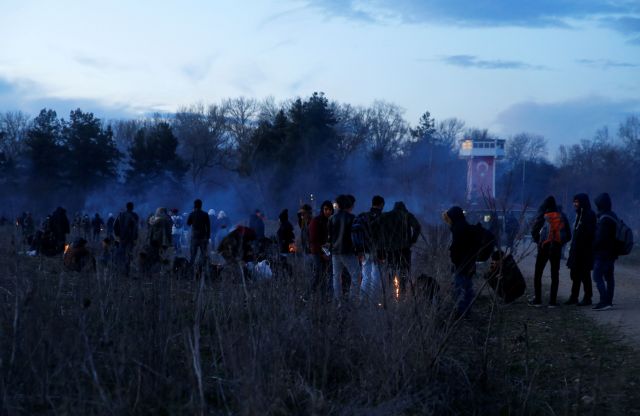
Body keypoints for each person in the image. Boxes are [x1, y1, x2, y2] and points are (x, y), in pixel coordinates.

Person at [529, 196, 571, 308]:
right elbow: (568, 235)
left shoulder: (543, 216)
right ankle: (552, 302)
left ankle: (538, 300)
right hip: (556, 248)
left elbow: (533, 231)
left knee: (538, 274)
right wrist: (559, 243)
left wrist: (539, 241)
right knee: (554, 275)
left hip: (543, 248)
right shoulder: (561, 216)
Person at [378, 201, 421, 295]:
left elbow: (376, 226)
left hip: (390, 250)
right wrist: (413, 240)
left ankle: (390, 293)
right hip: (404, 249)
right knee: (404, 271)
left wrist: (382, 242)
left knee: (390, 270)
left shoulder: (386, 215)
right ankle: (402, 293)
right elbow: (417, 227)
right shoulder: (407, 215)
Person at [443, 206, 478, 317]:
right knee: (467, 287)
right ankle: (466, 312)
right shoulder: (464, 226)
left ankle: (462, 313)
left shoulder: (459, 228)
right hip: (469, 263)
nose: (448, 220)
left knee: (460, 288)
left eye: (450, 217)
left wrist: (454, 260)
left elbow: (457, 248)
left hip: (462, 264)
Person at [565, 194, 596, 306]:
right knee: (575, 275)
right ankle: (574, 297)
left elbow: (589, 233)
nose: (575, 204)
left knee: (585, 275)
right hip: (576, 250)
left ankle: (588, 297)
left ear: (582, 202)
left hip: (585, 251)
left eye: (577, 201)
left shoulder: (589, 215)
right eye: (574, 201)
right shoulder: (579, 215)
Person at [328, 194, 360, 302]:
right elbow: (356, 237)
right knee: (356, 276)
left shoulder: (332, 218)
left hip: (335, 252)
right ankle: (352, 300)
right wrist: (359, 250)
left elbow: (329, 237)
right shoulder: (352, 218)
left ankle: (338, 301)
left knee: (336, 277)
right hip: (348, 251)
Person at [355, 195, 385, 304]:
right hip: (378, 251)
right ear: (381, 205)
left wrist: (359, 249)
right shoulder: (383, 217)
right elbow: (384, 237)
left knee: (365, 277)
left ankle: (363, 301)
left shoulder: (363, 216)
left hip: (364, 250)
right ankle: (374, 302)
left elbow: (356, 231)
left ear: (372, 203)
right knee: (376, 276)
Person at [592, 193, 619, 311]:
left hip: (602, 253)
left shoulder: (604, 219)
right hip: (612, 252)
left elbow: (600, 238)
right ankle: (609, 300)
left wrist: (593, 247)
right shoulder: (613, 216)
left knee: (597, 276)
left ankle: (604, 301)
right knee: (609, 277)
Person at [309, 200, 334, 295]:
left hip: (328, 252)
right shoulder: (316, 221)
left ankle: (324, 297)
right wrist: (322, 253)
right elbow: (313, 239)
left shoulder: (331, 220)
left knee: (326, 275)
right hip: (317, 252)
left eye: (330, 209)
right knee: (318, 274)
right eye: (326, 209)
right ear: (322, 210)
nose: (328, 211)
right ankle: (308, 295)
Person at [113, 202, 139, 277]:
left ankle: (120, 270)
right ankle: (126, 271)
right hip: (130, 238)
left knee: (121, 253)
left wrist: (118, 234)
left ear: (126, 207)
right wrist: (135, 237)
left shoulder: (121, 214)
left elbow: (114, 225)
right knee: (129, 254)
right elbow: (135, 228)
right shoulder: (135, 215)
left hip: (122, 237)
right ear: (132, 207)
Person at [187, 199, 211, 269]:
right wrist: (208, 236)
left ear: (194, 205)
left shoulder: (192, 214)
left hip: (194, 237)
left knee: (193, 256)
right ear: (201, 205)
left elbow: (188, 223)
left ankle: (190, 271)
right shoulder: (205, 214)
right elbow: (208, 227)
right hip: (203, 237)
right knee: (203, 255)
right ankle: (202, 270)